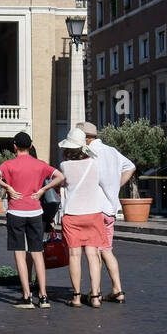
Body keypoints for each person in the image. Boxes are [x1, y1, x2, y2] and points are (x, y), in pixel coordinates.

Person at [0, 132, 64, 308]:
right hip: (35, 211)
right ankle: (44, 296)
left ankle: (26, 296)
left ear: (14, 146)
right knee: (37, 252)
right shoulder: (40, 164)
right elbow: (60, 176)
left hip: (16, 212)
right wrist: (43, 190)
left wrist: (7, 186)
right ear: (31, 146)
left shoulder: (9, 164)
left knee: (19, 253)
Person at [76, 121, 135, 304]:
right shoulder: (112, 151)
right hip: (110, 209)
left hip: (95, 208)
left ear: (85, 138)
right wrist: (115, 186)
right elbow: (131, 167)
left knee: (93, 252)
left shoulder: (89, 153)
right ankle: (118, 289)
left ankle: (96, 292)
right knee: (107, 250)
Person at [57, 128, 107, 309]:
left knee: (74, 255)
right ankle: (95, 296)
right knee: (93, 255)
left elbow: (62, 184)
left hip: (72, 214)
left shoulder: (64, 166)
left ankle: (76, 297)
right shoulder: (95, 164)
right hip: (93, 213)